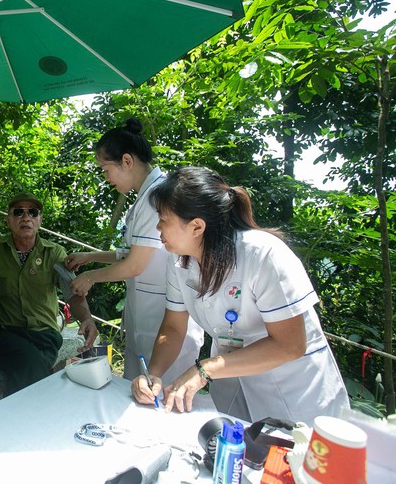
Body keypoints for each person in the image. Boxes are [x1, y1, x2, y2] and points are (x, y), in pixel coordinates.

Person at [132, 166, 350, 425]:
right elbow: (173, 326)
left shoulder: (264, 255)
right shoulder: (180, 262)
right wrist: (154, 373)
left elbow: (289, 345)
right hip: (232, 382)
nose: (158, 227)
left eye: (163, 219)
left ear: (196, 227)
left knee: (292, 460)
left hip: (294, 392)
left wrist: (205, 369)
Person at [65, 118, 203, 384]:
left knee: (160, 398)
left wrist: (90, 277)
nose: (106, 179)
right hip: (148, 317)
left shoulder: (156, 198)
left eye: (106, 170)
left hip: (165, 320)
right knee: (140, 391)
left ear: (127, 161)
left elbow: (135, 265)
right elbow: (130, 253)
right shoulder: (145, 198)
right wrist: (89, 257)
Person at [0, 191, 98, 394]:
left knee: (28, 362)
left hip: (44, 334)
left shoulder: (54, 254)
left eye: (32, 212)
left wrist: (87, 318)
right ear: (8, 219)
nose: (26, 218)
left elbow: (72, 294)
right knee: (30, 360)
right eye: (18, 212)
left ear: (40, 220)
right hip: (7, 332)